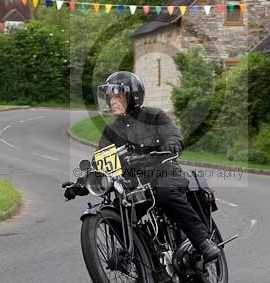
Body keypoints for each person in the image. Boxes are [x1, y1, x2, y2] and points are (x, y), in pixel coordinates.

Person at [93, 71, 220, 263]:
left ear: (132, 96)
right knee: (117, 211)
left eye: (118, 96)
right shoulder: (111, 130)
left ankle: (202, 241)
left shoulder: (154, 116)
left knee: (165, 192)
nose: (112, 101)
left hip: (164, 172)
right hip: (133, 183)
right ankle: (141, 257)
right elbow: (100, 159)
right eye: (110, 97)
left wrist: (172, 143)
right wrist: (85, 179)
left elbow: (173, 134)